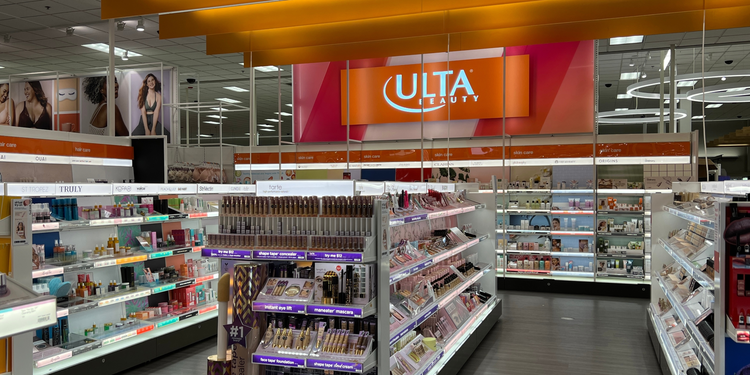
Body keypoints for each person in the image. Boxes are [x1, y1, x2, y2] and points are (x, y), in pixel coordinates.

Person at [131, 73, 170, 141]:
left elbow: (156, 112)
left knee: (167, 135)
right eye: (149, 81)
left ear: (155, 81)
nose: (151, 82)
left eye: (152, 80)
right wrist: (146, 129)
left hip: (153, 119)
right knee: (133, 137)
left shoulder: (158, 96)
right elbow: (143, 112)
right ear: (146, 84)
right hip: (143, 120)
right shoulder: (142, 95)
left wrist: (153, 129)